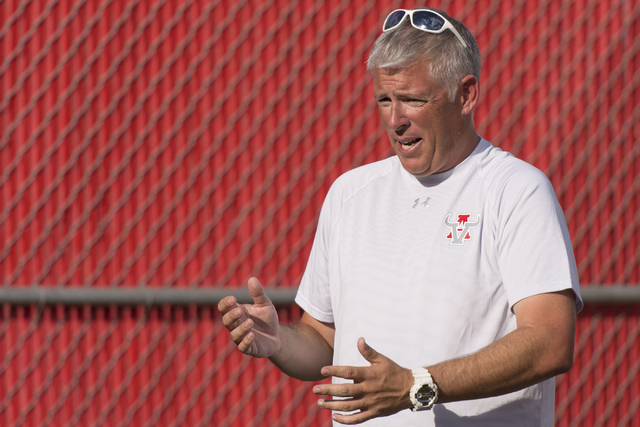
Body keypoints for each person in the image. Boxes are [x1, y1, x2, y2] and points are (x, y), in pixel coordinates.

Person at [218, 7, 582, 426]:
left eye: (412, 99)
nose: (395, 120)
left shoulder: (515, 189)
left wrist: (417, 385)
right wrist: (279, 341)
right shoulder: (349, 194)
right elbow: (323, 339)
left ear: (466, 95)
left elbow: (551, 341)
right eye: (384, 99)